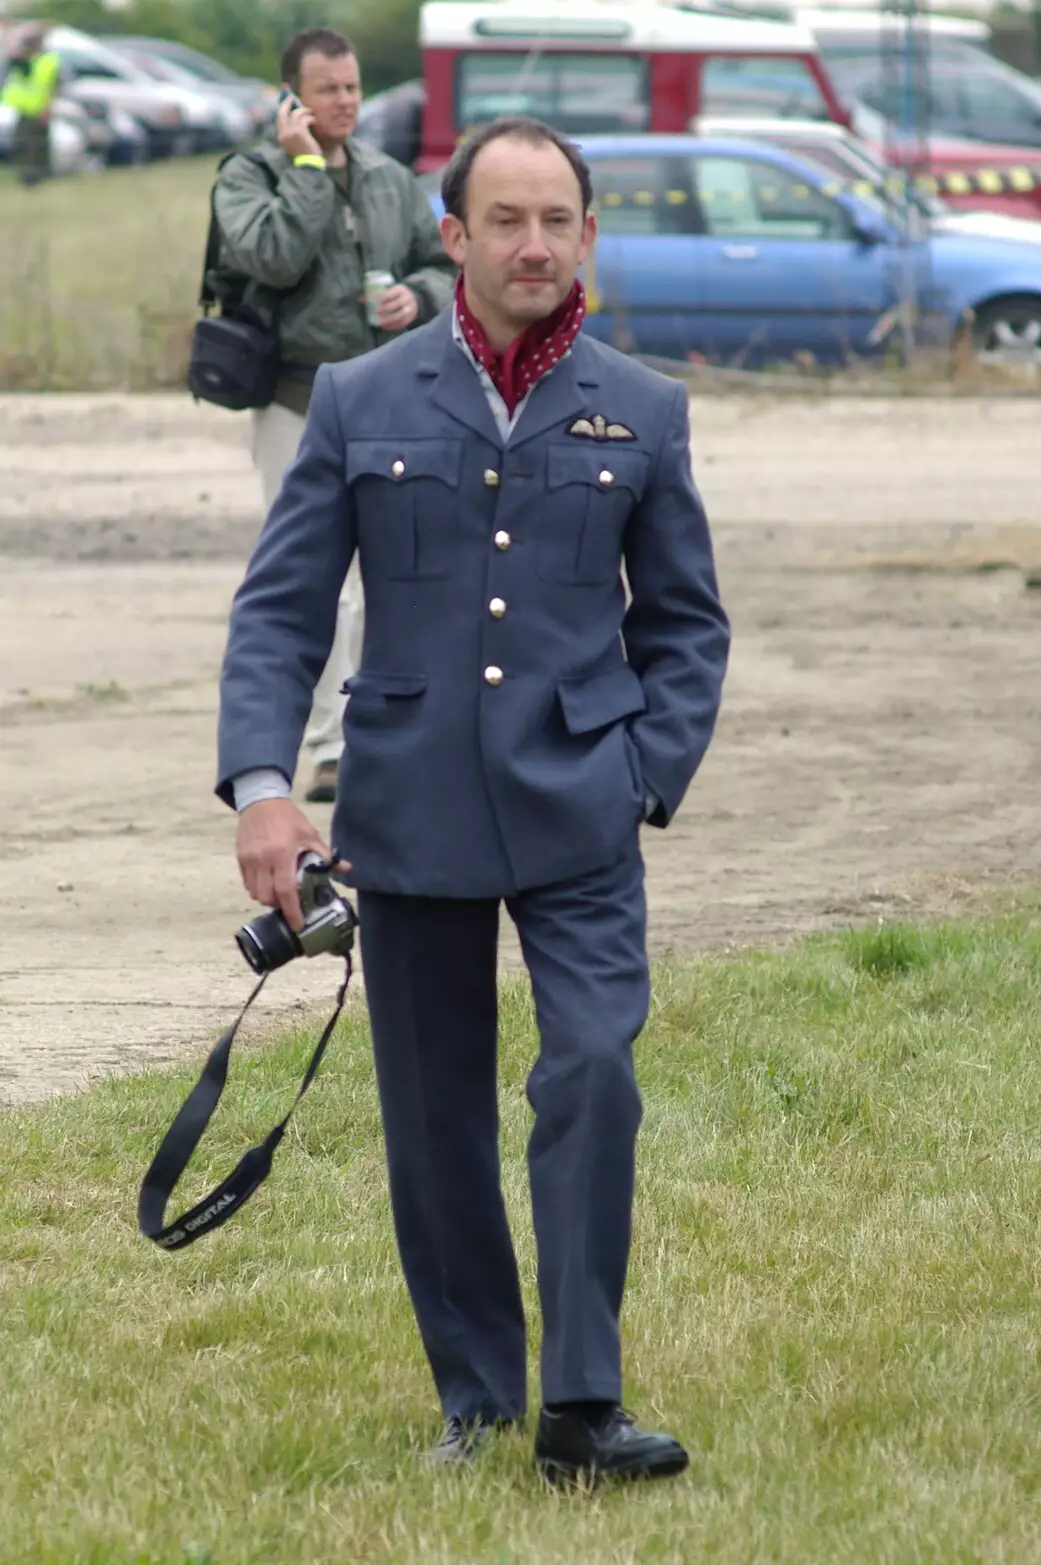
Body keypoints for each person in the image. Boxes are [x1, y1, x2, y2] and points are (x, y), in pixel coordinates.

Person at [216, 116, 731, 1483]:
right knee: (434, 1116)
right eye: (504, 220)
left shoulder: (643, 407)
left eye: (556, 219)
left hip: (580, 809)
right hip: (409, 805)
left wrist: (642, 776)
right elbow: (279, 615)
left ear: (586, 239)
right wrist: (265, 790)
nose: (533, 245)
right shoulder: (359, 397)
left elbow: (684, 628)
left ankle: (580, 1405)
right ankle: (478, 1399)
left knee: (593, 1074)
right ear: (451, 237)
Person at [212, 26, 455, 805]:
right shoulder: (247, 178)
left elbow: (444, 262)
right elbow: (275, 258)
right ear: (292, 99)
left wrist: (418, 298)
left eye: (351, 88)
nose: (346, 102)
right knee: (318, 585)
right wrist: (310, 170)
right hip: (292, 404)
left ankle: (385, 736)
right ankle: (324, 748)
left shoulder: (388, 177)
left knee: (396, 575)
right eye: (327, 91)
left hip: (386, 405)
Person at [1, 24, 60, 188]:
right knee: (31, 144)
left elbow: (50, 86)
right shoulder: (37, 60)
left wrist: (48, 108)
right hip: (28, 109)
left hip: (35, 110)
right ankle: (34, 175)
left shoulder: (41, 61)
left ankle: (33, 177)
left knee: (32, 145)